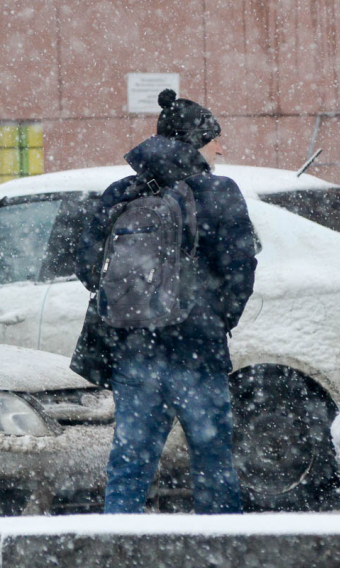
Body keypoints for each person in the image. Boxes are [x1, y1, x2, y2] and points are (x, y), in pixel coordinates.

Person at [72, 89, 258, 514]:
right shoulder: (218, 192)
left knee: (130, 465)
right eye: (214, 140)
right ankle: (221, 553)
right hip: (199, 352)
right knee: (212, 464)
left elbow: (87, 267)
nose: (221, 148)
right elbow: (240, 269)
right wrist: (215, 319)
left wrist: (134, 308)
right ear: (194, 143)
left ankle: (116, 551)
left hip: (135, 352)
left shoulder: (122, 190)